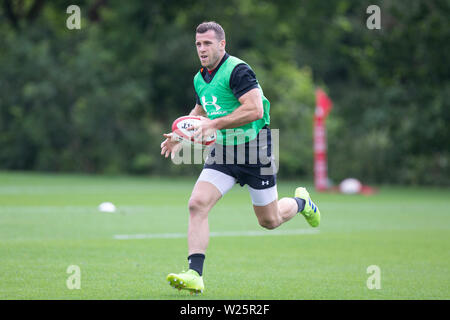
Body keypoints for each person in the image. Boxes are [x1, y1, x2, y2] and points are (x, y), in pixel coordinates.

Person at [160, 21, 320, 295]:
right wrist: (180, 134)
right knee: (197, 204)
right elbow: (199, 110)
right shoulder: (200, 78)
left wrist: (215, 124)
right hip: (224, 151)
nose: (202, 49)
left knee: (269, 221)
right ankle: (194, 274)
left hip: (256, 151)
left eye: (207, 43)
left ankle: (302, 201)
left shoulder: (238, 70)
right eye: (198, 44)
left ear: (222, 44)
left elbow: (255, 110)